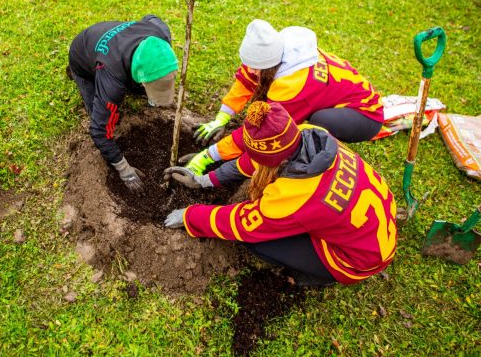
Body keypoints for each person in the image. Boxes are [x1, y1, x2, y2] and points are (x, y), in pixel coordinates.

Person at [164, 101, 397, 286]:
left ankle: (323, 276)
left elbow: (243, 224)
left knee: (257, 242)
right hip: (373, 225)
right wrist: (205, 181)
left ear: (277, 161)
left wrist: (190, 216)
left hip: (358, 260)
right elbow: (255, 161)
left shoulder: (295, 195)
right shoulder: (309, 134)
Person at [185, 19, 384, 179]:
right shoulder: (269, 52)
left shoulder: (292, 86)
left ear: (271, 64)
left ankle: (323, 158)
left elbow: (264, 131)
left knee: (316, 123)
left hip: (364, 114)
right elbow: (246, 79)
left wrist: (209, 156)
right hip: (339, 95)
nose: (252, 70)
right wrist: (222, 117)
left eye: (256, 68)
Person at [67, 14, 178, 193]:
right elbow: (99, 131)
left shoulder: (160, 36)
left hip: (114, 42)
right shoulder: (111, 77)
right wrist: (125, 170)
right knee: (100, 113)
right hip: (83, 52)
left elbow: (151, 17)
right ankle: (76, 72)